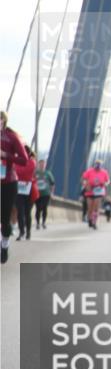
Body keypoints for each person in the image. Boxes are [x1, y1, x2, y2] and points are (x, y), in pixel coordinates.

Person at [1, 112, 28, 263]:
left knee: (4, 218)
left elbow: (24, 159)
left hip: (8, 182)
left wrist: (6, 155)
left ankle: (4, 245)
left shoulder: (11, 137)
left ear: (3, 121)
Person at [14, 146, 37, 241]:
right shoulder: (17, 161)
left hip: (29, 190)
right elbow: (15, 170)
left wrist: (18, 171)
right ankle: (21, 232)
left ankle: (28, 232)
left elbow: (23, 171)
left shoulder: (32, 161)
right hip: (19, 189)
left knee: (27, 212)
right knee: (20, 211)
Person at [81, 158, 111, 230]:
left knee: (96, 207)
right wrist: (85, 185)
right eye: (97, 164)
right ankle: (90, 219)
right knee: (90, 207)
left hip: (99, 190)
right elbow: (84, 179)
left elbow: (108, 181)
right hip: (90, 190)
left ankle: (94, 222)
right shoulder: (89, 171)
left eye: (99, 164)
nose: (98, 166)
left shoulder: (104, 172)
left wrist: (106, 184)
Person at [34, 158, 55, 230]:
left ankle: (43, 222)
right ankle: (37, 223)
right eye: (41, 164)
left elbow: (52, 184)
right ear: (38, 164)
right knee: (38, 208)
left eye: (43, 164)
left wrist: (52, 193)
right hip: (37, 193)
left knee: (44, 207)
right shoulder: (35, 173)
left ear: (45, 165)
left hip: (46, 194)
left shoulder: (48, 173)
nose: (42, 165)